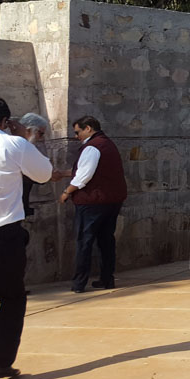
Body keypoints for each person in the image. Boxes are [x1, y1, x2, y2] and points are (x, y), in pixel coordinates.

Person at [0, 98, 54, 379]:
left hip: (4, 232)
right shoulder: (13, 144)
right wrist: (26, 139)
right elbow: (44, 173)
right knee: (12, 297)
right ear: (6, 121)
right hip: (3, 232)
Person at [60, 116, 128, 294]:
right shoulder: (107, 144)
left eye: (78, 132)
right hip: (112, 200)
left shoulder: (92, 147)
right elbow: (89, 170)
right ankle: (107, 279)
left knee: (85, 241)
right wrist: (63, 173)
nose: (76, 136)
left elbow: (84, 175)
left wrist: (67, 191)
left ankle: (79, 282)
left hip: (92, 202)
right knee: (106, 241)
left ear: (88, 128)